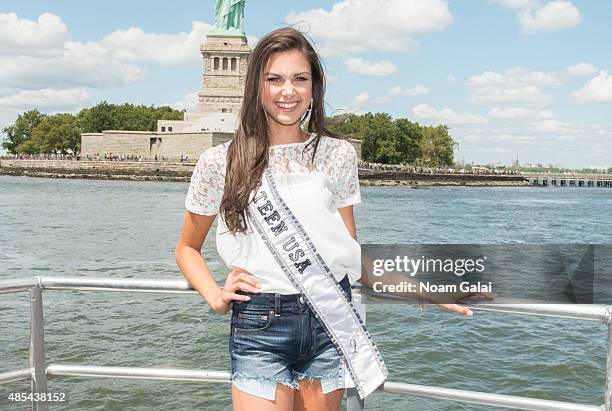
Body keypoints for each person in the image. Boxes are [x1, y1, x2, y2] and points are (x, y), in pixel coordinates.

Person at [175, 27, 477, 411]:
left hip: (328, 324)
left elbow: (350, 258)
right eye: (274, 79)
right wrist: (215, 296)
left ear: (314, 87)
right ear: (256, 87)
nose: (288, 91)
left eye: (300, 79)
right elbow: (187, 247)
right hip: (259, 325)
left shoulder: (337, 156)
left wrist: (429, 291)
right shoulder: (220, 161)